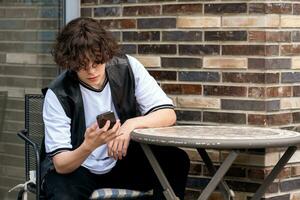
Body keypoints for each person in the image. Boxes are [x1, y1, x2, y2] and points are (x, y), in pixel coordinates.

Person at [41, 17, 190, 200]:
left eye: (96, 62)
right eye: (82, 66)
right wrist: (88, 146)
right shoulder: (58, 93)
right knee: (60, 191)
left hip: (121, 159)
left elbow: (167, 114)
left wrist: (130, 126)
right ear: (70, 63)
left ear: (106, 53)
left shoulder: (127, 67)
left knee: (176, 160)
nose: (92, 71)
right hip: (78, 167)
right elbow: (61, 164)